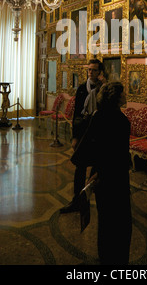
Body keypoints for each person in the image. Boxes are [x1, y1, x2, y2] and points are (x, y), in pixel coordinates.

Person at [84, 82, 132, 265]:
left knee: (105, 222)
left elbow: (95, 150)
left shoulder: (98, 117)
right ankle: (119, 262)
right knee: (121, 224)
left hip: (100, 178)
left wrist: (96, 172)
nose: (125, 95)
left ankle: (105, 258)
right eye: (123, 93)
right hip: (116, 180)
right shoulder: (121, 122)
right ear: (116, 98)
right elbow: (118, 156)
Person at [60, 59, 104, 213]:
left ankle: (98, 200)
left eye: (94, 70)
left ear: (100, 72)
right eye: (89, 70)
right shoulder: (81, 89)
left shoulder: (103, 90)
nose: (91, 72)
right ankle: (76, 200)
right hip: (84, 134)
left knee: (99, 170)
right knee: (80, 168)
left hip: (98, 135)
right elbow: (76, 115)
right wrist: (75, 137)